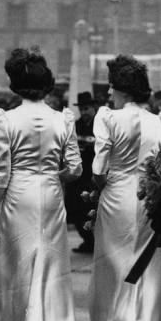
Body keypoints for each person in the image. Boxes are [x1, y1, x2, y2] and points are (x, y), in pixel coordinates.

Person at [0, 48, 82, 321]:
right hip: (51, 195)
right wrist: (54, 175)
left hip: (19, 195)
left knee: (16, 271)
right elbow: (75, 168)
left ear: (15, 84)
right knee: (51, 270)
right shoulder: (62, 118)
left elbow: (0, 174)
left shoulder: (5, 119)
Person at [86, 54, 161, 321]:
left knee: (113, 270)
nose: (108, 92)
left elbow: (98, 169)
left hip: (117, 195)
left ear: (119, 88)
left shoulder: (107, 118)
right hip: (147, 196)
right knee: (145, 270)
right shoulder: (157, 121)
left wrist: (97, 186)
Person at [65, 91, 97, 253]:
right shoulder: (76, 125)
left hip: (92, 173)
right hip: (77, 174)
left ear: (93, 108)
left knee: (90, 208)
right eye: (82, 109)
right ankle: (86, 240)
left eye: (87, 109)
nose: (84, 112)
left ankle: (93, 241)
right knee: (75, 208)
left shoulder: (99, 125)